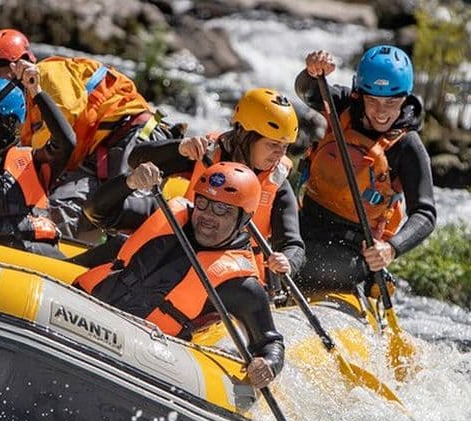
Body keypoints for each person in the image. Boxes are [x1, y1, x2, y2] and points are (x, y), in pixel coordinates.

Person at [0, 14, 177, 241]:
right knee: (63, 206)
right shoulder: (22, 110)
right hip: (95, 156)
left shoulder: (47, 74)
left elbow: (66, 118)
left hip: (130, 134)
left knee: (124, 204)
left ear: (19, 64)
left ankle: (168, 230)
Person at [74, 162, 284, 389]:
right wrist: (129, 182)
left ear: (244, 219)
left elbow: (270, 342)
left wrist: (268, 365)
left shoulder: (241, 284)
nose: (207, 215)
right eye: (203, 203)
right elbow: (96, 212)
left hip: (138, 358)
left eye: (222, 209)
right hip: (81, 312)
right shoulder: (166, 214)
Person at [87, 88, 305, 290]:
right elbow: (137, 159)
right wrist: (180, 149)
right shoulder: (206, 153)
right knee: (117, 236)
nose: (279, 154)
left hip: (232, 276)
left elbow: (292, 244)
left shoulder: (279, 184)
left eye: (284, 147)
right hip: (182, 248)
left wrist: (287, 262)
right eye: (272, 144)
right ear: (245, 135)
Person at [293, 46, 436, 294]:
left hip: (352, 248)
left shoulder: (407, 145)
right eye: (373, 100)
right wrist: (313, 71)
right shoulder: (342, 105)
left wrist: (392, 248)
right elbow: (307, 91)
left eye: (392, 102)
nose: (381, 112)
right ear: (360, 95)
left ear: (405, 98)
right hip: (303, 222)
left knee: (313, 264)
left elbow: (425, 214)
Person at [0, 62, 76, 258]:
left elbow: (66, 141)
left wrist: (35, 91)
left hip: (43, 258)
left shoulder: (34, 161)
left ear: (5, 122)